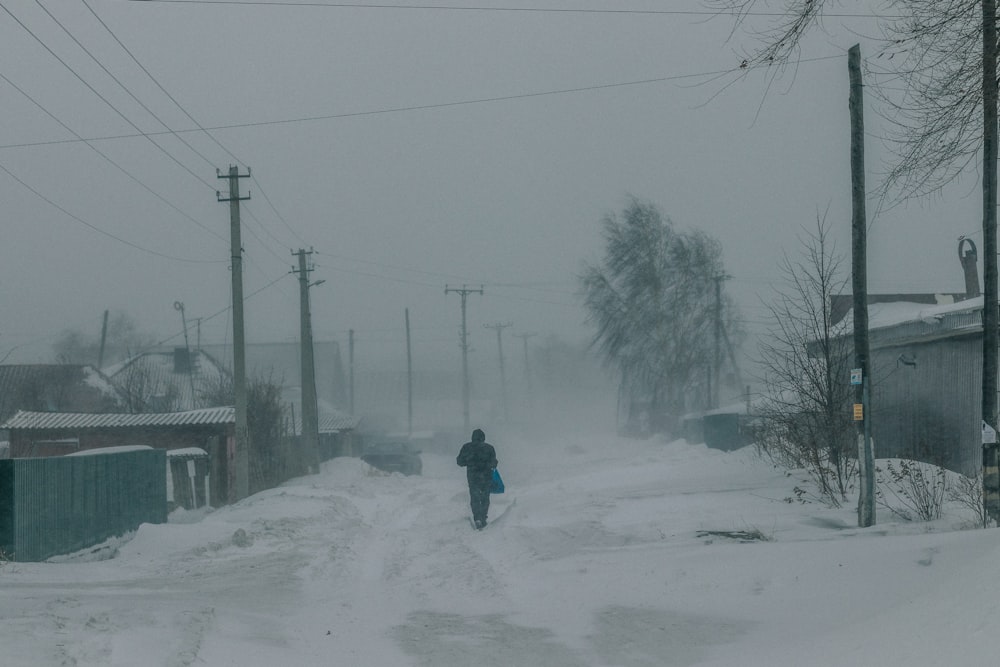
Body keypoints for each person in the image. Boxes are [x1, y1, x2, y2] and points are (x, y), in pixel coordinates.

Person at [456, 428, 498, 530]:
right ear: (483, 438)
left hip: (473, 476)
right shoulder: (489, 448)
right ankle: (483, 517)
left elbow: (459, 462)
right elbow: (494, 463)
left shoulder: (467, 447)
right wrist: (487, 464)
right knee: (485, 497)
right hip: (486, 476)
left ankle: (477, 518)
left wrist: (469, 461)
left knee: (474, 496)